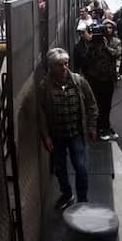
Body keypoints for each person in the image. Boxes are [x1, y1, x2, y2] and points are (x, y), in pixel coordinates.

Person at [37, 48, 97, 210]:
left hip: (77, 133)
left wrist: (91, 126)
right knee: (60, 168)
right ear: (51, 66)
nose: (64, 67)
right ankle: (67, 194)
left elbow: (91, 104)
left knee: (81, 167)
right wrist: (46, 137)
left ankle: (82, 200)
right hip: (58, 136)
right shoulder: (44, 87)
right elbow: (41, 114)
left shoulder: (78, 81)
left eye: (66, 63)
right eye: (59, 65)